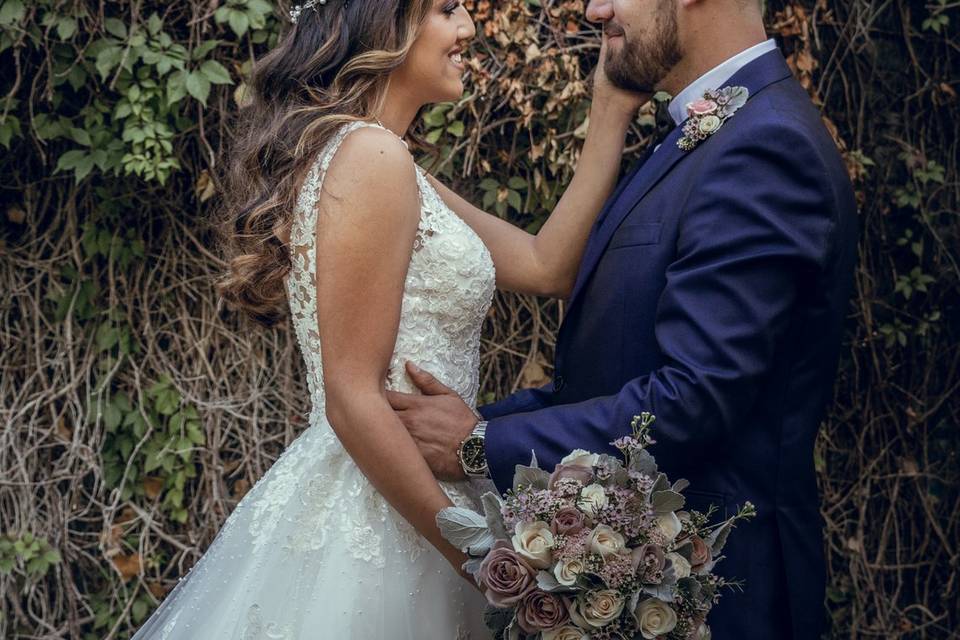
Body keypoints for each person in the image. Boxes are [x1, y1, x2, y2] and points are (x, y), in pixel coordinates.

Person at [130, 0, 644, 637]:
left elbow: (545, 266)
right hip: (389, 508)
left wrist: (611, 105)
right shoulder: (370, 157)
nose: (468, 27)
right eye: (445, 9)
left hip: (420, 485)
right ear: (383, 22)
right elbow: (352, 395)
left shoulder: (382, 158)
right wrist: (484, 558)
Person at [388, 0, 859, 638]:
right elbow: (614, 375)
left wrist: (479, 444)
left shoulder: (767, 147)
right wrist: (474, 422)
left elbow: (691, 400)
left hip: (721, 595)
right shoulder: (705, 132)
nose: (593, 9)